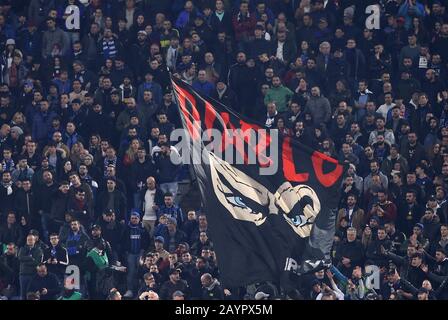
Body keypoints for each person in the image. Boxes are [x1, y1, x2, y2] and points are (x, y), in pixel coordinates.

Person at [18, 234, 43, 299]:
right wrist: (30, 258)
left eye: (31, 239)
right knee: (23, 294)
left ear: (34, 241)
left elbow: (37, 262)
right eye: (28, 240)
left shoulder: (38, 250)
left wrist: (25, 261)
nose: (29, 241)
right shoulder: (22, 249)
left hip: (33, 274)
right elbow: (20, 258)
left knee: (33, 294)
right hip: (23, 274)